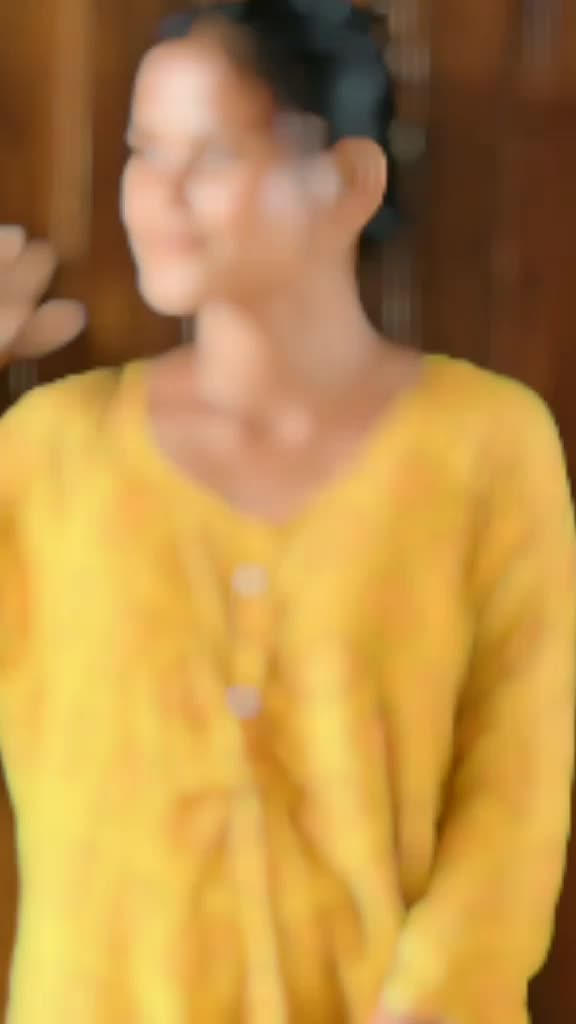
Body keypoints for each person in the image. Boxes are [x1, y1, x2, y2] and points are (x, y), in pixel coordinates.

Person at [0, 3, 574, 1023]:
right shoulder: (49, 453)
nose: (160, 194)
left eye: (213, 154)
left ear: (349, 182)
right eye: (143, 151)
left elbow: (516, 790)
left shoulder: (486, 446)